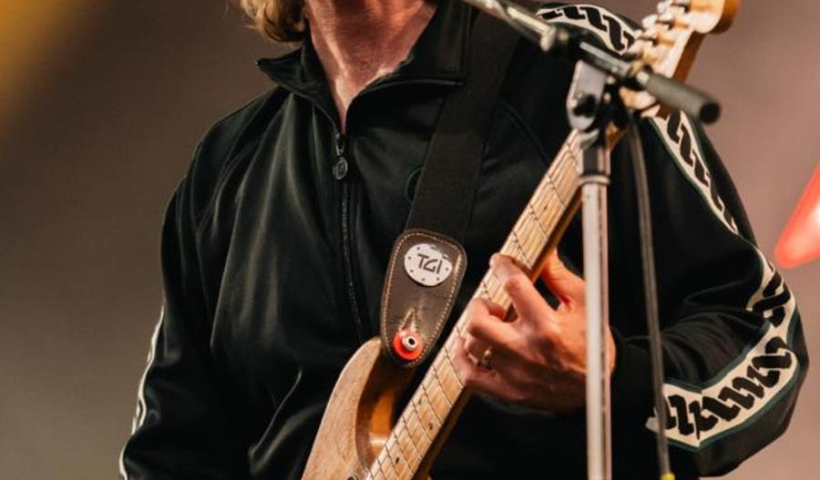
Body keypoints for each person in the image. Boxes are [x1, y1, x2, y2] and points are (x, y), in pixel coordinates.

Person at [119, 1, 808, 479]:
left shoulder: (579, 72)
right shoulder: (227, 167)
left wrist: (610, 382)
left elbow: (759, 338)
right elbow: (173, 453)